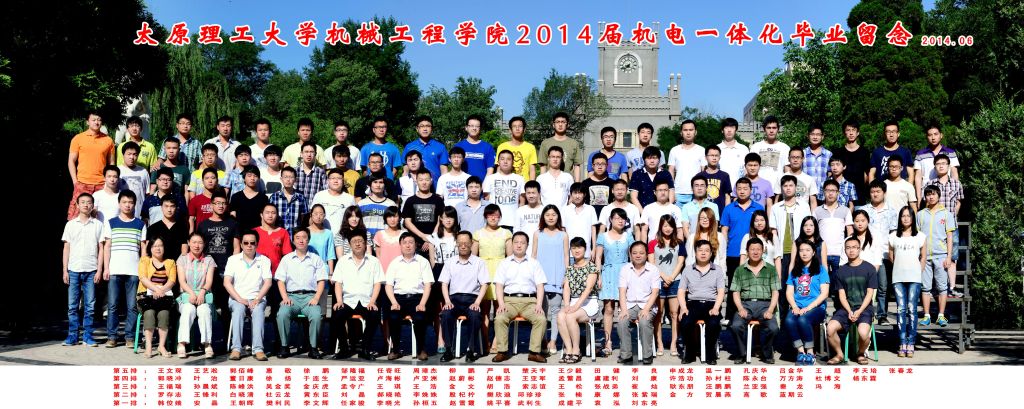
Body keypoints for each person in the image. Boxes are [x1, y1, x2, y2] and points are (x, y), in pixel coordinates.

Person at [490, 232, 549, 363]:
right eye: (516, 242)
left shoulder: (534, 263)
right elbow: (499, 285)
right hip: (509, 301)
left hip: (530, 302)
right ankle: (502, 351)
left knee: (541, 319)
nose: (519, 245)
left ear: (527, 245)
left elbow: (540, 286)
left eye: (522, 243)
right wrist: (501, 304)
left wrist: (539, 305)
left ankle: (534, 352)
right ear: (512, 244)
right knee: (499, 318)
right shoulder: (504, 263)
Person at [274, 227, 329, 359]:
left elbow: (321, 280)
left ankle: (313, 348)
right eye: (297, 238)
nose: (301, 240)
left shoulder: (316, 259)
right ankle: (284, 346)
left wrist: (316, 298)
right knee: (282, 314)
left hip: (310, 297)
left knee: (316, 315)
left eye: (304, 237)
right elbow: (280, 280)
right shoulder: (287, 259)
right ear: (293, 241)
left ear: (308, 240)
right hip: (291, 297)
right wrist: (285, 297)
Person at [330, 228, 384, 361]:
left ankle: (365, 349)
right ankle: (344, 349)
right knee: (337, 316)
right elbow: (338, 283)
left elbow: (377, 283)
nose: (358, 244)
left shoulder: (374, 261)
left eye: (360, 241)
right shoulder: (343, 261)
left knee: (374, 316)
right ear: (349, 244)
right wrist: (339, 300)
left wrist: (373, 301)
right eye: (354, 241)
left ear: (365, 244)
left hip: (367, 301)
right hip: (348, 301)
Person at [102, 190, 146, 348]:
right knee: (112, 306)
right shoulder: (111, 223)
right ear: (119, 204)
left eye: (131, 202)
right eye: (124, 202)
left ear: (135, 204)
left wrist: (143, 271)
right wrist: (106, 268)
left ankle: (129, 337)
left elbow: (143, 249)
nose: (128, 205)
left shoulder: (140, 224)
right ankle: (112, 337)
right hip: (114, 270)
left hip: (134, 271)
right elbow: (107, 247)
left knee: (132, 306)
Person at [438, 231, 490, 363]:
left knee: (475, 315)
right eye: (460, 243)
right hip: (453, 299)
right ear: (456, 244)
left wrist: (477, 302)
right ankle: (448, 350)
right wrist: (447, 301)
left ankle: (471, 350)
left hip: (472, 299)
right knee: (446, 314)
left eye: (466, 243)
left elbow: (484, 284)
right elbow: (444, 284)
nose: (463, 246)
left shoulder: (479, 262)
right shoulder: (450, 262)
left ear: (471, 243)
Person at [825, 237, 878, 365]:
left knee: (863, 333)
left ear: (859, 249)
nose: (851, 250)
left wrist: (859, 311)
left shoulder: (869, 268)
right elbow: (842, 295)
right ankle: (839, 354)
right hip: (845, 309)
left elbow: (869, 294)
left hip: (864, 309)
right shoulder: (841, 271)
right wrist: (849, 311)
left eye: (854, 247)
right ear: (845, 250)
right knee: (830, 329)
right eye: (848, 248)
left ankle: (860, 353)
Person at [61, 193, 105, 347]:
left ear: (92, 205)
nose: (86, 205)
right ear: (77, 205)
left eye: (89, 202)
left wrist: (99, 270)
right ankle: (72, 336)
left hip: (91, 269)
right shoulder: (70, 225)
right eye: (83, 202)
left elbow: (101, 248)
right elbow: (66, 248)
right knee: (72, 306)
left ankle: (88, 336)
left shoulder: (98, 225)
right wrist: (65, 270)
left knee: (90, 306)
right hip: (73, 269)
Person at [383, 233, 435, 361]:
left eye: (411, 242)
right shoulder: (394, 262)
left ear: (415, 245)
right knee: (393, 316)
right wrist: (393, 302)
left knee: (420, 318)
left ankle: (421, 350)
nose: (408, 245)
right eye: (405, 242)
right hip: (398, 298)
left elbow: (428, 285)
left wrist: (422, 303)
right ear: (400, 245)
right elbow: (388, 285)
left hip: (417, 298)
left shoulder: (423, 262)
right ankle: (396, 350)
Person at [223, 231, 274, 361]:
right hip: (237, 298)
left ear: (257, 244)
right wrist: (239, 299)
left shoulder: (264, 260)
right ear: (241, 244)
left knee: (258, 311)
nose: (249, 245)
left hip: (257, 297)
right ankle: (236, 348)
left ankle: (258, 349)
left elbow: (268, 283)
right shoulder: (233, 260)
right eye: (246, 243)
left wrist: (257, 299)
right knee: (238, 310)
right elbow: (227, 282)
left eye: (252, 243)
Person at [728, 237, 780, 364]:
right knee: (735, 326)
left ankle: (766, 352)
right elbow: (735, 292)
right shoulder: (740, 270)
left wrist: (770, 310)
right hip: (746, 304)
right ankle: (741, 353)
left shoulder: (771, 269)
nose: (755, 252)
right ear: (747, 251)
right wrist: (740, 308)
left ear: (763, 251)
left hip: (765, 305)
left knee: (773, 328)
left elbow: (775, 292)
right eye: (752, 249)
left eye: (758, 249)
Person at [676, 240, 727, 364]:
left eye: (706, 251)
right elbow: (681, 291)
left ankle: (710, 354)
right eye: (700, 250)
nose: (703, 253)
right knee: (685, 322)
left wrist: (716, 307)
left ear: (711, 253)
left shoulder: (717, 270)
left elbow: (721, 291)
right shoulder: (688, 270)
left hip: (711, 304)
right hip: (693, 303)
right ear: (695, 252)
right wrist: (683, 307)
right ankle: (690, 354)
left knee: (714, 324)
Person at [721, 178, 766, 312]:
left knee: (752, 284)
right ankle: (730, 315)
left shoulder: (758, 208)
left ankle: (751, 313)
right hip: (733, 253)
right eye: (739, 189)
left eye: (745, 188)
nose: (742, 191)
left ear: (751, 190)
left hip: (754, 254)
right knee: (734, 284)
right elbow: (724, 231)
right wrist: (724, 250)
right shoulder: (729, 209)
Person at [472, 204, 512, 352]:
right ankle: (485, 340)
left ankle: (497, 341)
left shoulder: (506, 233)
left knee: (499, 308)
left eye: (496, 215)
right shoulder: (478, 234)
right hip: (483, 271)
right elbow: (474, 257)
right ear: (485, 217)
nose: (493, 218)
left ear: (500, 216)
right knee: (484, 310)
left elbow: (510, 257)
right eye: (490, 215)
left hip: (500, 271)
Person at [770, 175, 813, 313]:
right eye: (785, 186)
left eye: (791, 185)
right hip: (783, 252)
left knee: (801, 283)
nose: (788, 188)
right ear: (781, 188)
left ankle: (801, 312)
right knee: (783, 285)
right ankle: (783, 317)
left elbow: (808, 227)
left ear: (796, 188)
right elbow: (773, 231)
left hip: (801, 252)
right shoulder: (776, 207)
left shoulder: (804, 206)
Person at [785, 239, 831, 366]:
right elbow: (789, 292)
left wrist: (808, 307)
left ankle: (810, 353)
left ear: (813, 252)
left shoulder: (821, 270)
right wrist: (794, 306)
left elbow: (825, 293)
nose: (804, 253)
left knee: (803, 320)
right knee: (789, 320)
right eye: (801, 250)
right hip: (798, 306)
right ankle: (801, 352)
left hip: (817, 308)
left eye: (807, 250)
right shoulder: (795, 271)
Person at [858, 180, 899, 324]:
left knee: (883, 286)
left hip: (884, 254)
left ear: (884, 193)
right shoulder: (863, 210)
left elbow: (893, 233)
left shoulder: (892, 211)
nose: (875, 194)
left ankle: (882, 315)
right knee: (864, 286)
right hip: (866, 253)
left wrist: (892, 253)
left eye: (878, 191)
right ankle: (864, 313)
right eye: (872, 192)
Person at [615, 241, 661, 365]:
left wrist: (646, 309)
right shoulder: (625, 269)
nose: (638, 255)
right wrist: (624, 310)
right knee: (622, 321)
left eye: (641, 253)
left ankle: (647, 355)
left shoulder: (653, 269)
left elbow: (655, 292)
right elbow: (622, 291)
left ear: (646, 254)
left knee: (644, 321)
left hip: (647, 305)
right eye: (634, 253)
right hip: (629, 305)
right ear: (630, 254)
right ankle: (626, 355)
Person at [555, 237, 600, 364]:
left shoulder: (591, 267)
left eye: (579, 247)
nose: (576, 250)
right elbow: (567, 288)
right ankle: (568, 349)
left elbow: (588, 289)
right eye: (573, 248)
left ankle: (576, 350)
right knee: (560, 315)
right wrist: (567, 305)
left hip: (589, 302)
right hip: (573, 301)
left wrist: (576, 307)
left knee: (570, 316)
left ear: (585, 249)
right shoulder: (570, 268)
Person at [195, 191, 239, 321]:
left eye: (224, 203)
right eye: (218, 203)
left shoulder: (233, 224)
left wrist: (233, 268)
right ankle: (207, 334)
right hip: (207, 270)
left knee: (226, 306)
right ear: (212, 204)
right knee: (207, 305)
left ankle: (226, 334)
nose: (221, 206)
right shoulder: (203, 225)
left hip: (226, 270)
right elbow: (198, 248)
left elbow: (236, 248)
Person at [889, 206, 926, 358]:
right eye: (903, 216)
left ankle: (911, 342)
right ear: (900, 218)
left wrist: (918, 270)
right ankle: (902, 342)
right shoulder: (893, 236)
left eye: (908, 216)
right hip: (898, 278)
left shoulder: (920, 236)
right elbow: (891, 256)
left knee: (912, 310)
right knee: (900, 310)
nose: (905, 218)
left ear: (913, 218)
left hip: (914, 278)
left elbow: (923, 257)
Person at [594, 208, 631, 356]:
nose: (620, 221)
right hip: (608, 272)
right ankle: (608, 341)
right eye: (617, 218)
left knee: (623, 308)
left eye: (623, 218)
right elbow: (598, 258)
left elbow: (632, 255)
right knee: (609, 308)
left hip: (625, 272)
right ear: (610, 219)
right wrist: (598, 276)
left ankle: (624, 342)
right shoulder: (603, 236)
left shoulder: (628, 236)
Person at [925, 154, 964, 297]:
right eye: (938, 163)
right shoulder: (930, 184)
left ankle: (951, 287)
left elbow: (959, 202)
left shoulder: (956, 184)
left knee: (952, 256)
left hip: (951, 226)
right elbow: (927, 203)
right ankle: (936, 288)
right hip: (934, 227)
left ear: (948, 166)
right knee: (934, 257)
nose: (941, 166)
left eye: (944, 163)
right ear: (935, 167)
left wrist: (952, 217)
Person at [917, 185, 956, 327]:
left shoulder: (946, 214)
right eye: (928, 194)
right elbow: (917, 236)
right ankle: (926, 315)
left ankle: (941, 315)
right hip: (925, 256)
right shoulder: (920, 214)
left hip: (941, 256)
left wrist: (949, 256)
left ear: (938, 196)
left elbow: (950, 237)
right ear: (925, 197)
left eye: (933, 194)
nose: (931, 197)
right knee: (925, 287)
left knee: (942, 286)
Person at [648, 215, 686, 357]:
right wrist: (664, 277)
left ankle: (673, 343)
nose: (667, 228)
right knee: (658, 313)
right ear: (660, 227)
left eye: (670, 225)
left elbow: (680, 262)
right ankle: (659, 343)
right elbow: (652, 263)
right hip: (658, 281)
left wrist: (671, 278)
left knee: (674, 314)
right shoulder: (653, 243)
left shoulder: (679, 243)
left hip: (675, 281)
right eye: (665, 225)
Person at [533, 205, 569, 354]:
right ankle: (543, 340)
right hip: (541, 279)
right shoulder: (537, 234)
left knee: (555, 311)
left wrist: (566, 275)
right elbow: (533, 255)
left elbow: (566, 256)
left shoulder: (563, 235)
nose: (550, 217)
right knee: (541, 311)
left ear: (558, 217)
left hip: (557, 277)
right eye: (547, 214)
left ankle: (553, 341)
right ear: (543, 217)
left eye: (554, 214)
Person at [175, 233, 216, 359]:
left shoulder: (209, 260)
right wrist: (191, 293)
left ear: (204, 244)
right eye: (194, 242)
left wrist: (202, 292)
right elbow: (182, 281)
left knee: (204, 311)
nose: (197, 245)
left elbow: (209, 281)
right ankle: (182, 344)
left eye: (200, 242)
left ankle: (207, 344)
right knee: (188, 309)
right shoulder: (182, 259)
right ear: (188, 243)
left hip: (203, 295)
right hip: (186, 295)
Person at [67, 112, 114, 220]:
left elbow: (111, 164)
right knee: (76, 216)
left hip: (102, 184)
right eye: (93, 120)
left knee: (99, 217)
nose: (96, 122)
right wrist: (75, 182)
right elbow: (71, 161)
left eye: (99, 120)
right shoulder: (78, 138)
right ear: (87, 122)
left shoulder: (108, 140)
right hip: (82, 183)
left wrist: (109, 182)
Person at [136, 237, 177, 358]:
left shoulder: (170, 262)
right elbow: (143, 278)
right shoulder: (145, 261)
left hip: (164, 297)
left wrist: (161, 291)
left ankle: (161, 346)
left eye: (160, 245)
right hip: (146, 297)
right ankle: (148, 345)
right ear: (150, 248)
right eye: (155, 246)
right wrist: (156, 289)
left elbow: (172, 281)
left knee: (164, 314)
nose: (158, 248)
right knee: (149, 313)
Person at [428, 206, 460, 355]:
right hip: (439, 270)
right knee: (438, 308)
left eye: (451, 217)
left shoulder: (459, 236)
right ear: (440, 219)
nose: (448, 220)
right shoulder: (434, 236)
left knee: (451, 307)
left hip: (456, 271)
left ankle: (450, 340)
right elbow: (432, 260)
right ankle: (440, 339)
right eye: (445, 217)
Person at [814, 179, 855, 279]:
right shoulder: (817, 210)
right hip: (822, 253)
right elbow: (813, 231)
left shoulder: (845, 210)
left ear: (838, 192)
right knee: (823, 281)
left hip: (839, 253)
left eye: (833, 190)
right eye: (828, 190)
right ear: (824, 192)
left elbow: (850, 231)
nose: (830, 193)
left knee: (839, 281)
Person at [401, 169, 445, 256]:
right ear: (416, 181)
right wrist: (423, 236)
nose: (424, 183)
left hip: (435, 242)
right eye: (421, 180)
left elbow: (440, 220)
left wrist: (431, 238)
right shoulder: (410, 200)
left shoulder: (438, 200)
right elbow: (407, 222)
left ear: (431, 181)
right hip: (415, 244)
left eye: (427, 180)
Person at [483, 150, 525, 231]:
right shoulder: (490, 178)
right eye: (502, 159)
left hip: (513, 223)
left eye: (508, 159)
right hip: (494, 223)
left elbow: (522, 203)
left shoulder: (520, 179)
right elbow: (487, 201)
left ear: (513, 162)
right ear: (498, 162)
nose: (505, 162)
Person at [668, 119, 705, 209]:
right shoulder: (674, 150)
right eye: (685, 130)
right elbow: (671, 171)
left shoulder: (701, 150)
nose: (688, 133)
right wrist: (672, 191)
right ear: (681, 132)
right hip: (678, 193)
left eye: (691, 130)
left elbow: (704, 172)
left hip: (696, 193)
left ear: (695, 132)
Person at [914, 124, 961, 196]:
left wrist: (955, 193)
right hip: (927, 194)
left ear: (941, 135)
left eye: (936, 134)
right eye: (930, 135)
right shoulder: (920, 154)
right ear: (927, 137)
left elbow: (954, 173)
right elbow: (918, 176)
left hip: (947, 193)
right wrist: (918, 195)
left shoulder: (951, 152)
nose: (933, 138)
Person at [833, 119, 871, 206]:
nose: (851, 133)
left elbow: (866, 175)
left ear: (858, 133)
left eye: (853, 130)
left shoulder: (864, 152)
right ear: (844, 133)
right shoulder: (838, 152)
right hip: (841, 197)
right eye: (848, 130)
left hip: (859, 196)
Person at [538, 112, 583, 181]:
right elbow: (543, 166)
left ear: (567, 125)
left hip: (568, 182)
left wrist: (577, 184)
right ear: (553, 125)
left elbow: (577, 166)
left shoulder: (574, 143)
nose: (560, 124)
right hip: (549, 182)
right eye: (557, 122)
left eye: (563, 122)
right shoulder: (545, 143)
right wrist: (542, 182)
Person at [312, 168, 356, 238]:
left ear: (343, 181)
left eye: (339, 178)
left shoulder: (350, 199)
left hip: (342, 238)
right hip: (321, 236)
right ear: (328, 181)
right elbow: (312, 217)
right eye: (333, 178)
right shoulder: (319, 195)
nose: (336, 181)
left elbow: (353, 219)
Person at [561, 183, 600, 259]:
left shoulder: (590, 209)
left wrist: (594, 249)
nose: (577, 196)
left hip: (586, 253)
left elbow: (593, 230)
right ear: (571, 194)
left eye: (580, 193)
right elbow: (563, 230)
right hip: (569, 253)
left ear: (584, 194)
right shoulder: (565, 209)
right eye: (575, 193)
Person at [145, 195, 189, 262]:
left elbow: (184, 251)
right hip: (157, 265)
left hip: (177, 265)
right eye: (166, 206)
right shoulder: (152, 228)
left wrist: (180, 265)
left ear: (176, 208)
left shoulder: (182, 227)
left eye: (172, 206)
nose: (169, 210)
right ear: (161, 207)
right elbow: (148, 250)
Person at [739, 210, 782, 278]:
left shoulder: (773, 237)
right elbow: (743, 258)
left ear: (766, 221)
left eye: (762, 220)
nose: (759, 223)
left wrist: (779, 277)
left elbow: (777, 259)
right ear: (753, 223)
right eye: (756, 221)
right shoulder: (747, 237)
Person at [454, 114, 497, 181]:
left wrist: (485, 185)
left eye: (477, 126)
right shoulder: (458, 146)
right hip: (461, 185)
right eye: (471, 126)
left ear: (480, 129)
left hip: (482, 185)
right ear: (466, 128)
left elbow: (490, 169)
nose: (474, 128)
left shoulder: (488, 147)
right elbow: (455, 168)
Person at [268, 166, 309, 237]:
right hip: (278, 236)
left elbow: (304, 218)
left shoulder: (301, 198)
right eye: (285, 177)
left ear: (295, 179)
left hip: (295, 236)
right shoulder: (274, 197)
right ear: (281, 179)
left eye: (291, 177)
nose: (288, 180)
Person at [749, 116, 789, 187]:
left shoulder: (785, 148)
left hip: (778, 189)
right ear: (764, 129)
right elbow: (750, 168)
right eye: (768, 128)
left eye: (774, 128)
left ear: (778, 129)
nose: (771, 131)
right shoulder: (755, 147)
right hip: (759, 187)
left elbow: (787, 170)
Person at [496, 116, 537, 181]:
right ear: (510, 130)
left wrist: (531, 185)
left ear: (524, 129)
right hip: (506, 183)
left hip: (524, 184)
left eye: (520, 126)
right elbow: (499, 168)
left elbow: (532, 170)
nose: (517, 129)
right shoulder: (502, 147)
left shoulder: (530, 147)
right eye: (514, 126)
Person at [229, 166, 270, 232]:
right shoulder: (236, 197)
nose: (252, 178)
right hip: (239, 233)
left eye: (255, 176)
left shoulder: (263, 198)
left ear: (258, 179)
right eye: (249, 175)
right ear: (244, 178)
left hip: (257, 234)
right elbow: (232, 217)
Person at [358, 175, 398, 240]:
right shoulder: (361, 204)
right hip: (366, 240)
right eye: (375, 182)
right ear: (370, 185)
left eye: (381, 182)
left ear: (385, 186)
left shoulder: (391, 204)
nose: (378, 185)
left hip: (385, 240)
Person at [696, 146, 732, 215]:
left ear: (719, 157)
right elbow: (696, 197)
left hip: (719, 212)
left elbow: (727, 197)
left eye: (716, 155)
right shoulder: (699, 176)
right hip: (703, 213)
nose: (714, 158)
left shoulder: (724, 176)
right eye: (711, 155)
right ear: (706, 157)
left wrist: (726, 213)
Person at [118, 141, 150, 218]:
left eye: (135, 154)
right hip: (120, 215)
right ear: (123, 154)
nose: (132, 157)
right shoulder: (117, 171)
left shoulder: (143, 172)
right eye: (129, 154)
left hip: (139, 215)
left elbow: (148, 194)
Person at [717, 118, 749, 188]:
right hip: (721, 189)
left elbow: (747, 170)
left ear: (736, 130)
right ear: (722, 130)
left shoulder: (744, 149)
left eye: (732, 127)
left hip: (740, 190)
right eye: (726, 127)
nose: (729, 130)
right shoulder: (716, 149)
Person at [306, 204, 338, 274]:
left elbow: (330, 255)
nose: (318, 216)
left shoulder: (328, 233)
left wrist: (331, 273)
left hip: (323, 270)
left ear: (324, 216)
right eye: (316, 214)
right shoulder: (305, 232)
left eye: (321, 214)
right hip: (307, 268)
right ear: (311, 215)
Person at [515, 181, 544, 256]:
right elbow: (516, 230)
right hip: (524, 249)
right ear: (525, 194)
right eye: (528, 193)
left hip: (541, 248)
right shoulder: (520, 210)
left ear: (539, 194)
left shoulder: (544, 210)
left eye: (533, 193)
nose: (531, 196)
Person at [374, 206, 405, 273]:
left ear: (399, 218)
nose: (392, 219)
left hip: (400, 271)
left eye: (395, 216)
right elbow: (378, 255)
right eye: (389, 217)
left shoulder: (404, 234)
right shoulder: (379, 234)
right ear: (385, 218)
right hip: (383, 271)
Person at [802, 123, 832, 192]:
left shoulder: (829, 154)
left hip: (823, 193)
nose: (815, 137)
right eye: (812, 134)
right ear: (808, 136)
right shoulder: (802, 154)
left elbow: (830, 175)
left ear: (822, 136)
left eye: (818, 134)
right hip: (806, 193)